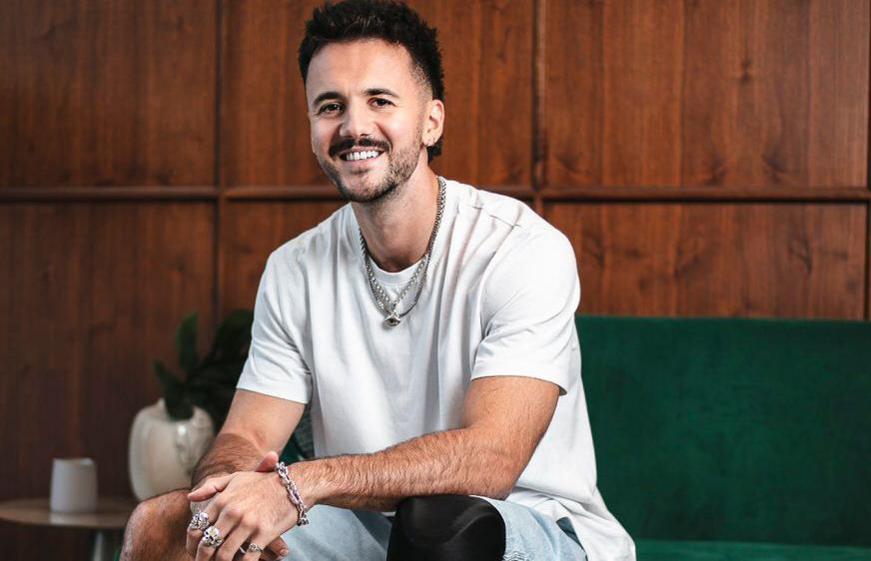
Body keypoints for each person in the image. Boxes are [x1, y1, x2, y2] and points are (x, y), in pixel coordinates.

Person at [121, 1, 635, 560]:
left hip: (526, 525)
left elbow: (492, 460)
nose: (353, 126)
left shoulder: (521, 249)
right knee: (167, 523)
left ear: (432, 120)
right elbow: (244, 439)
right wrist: (231, 497)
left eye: (380, 101)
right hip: (365, 526)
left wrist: (296, 488)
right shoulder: (294, 269)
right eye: (330, 106)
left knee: (441, 529)